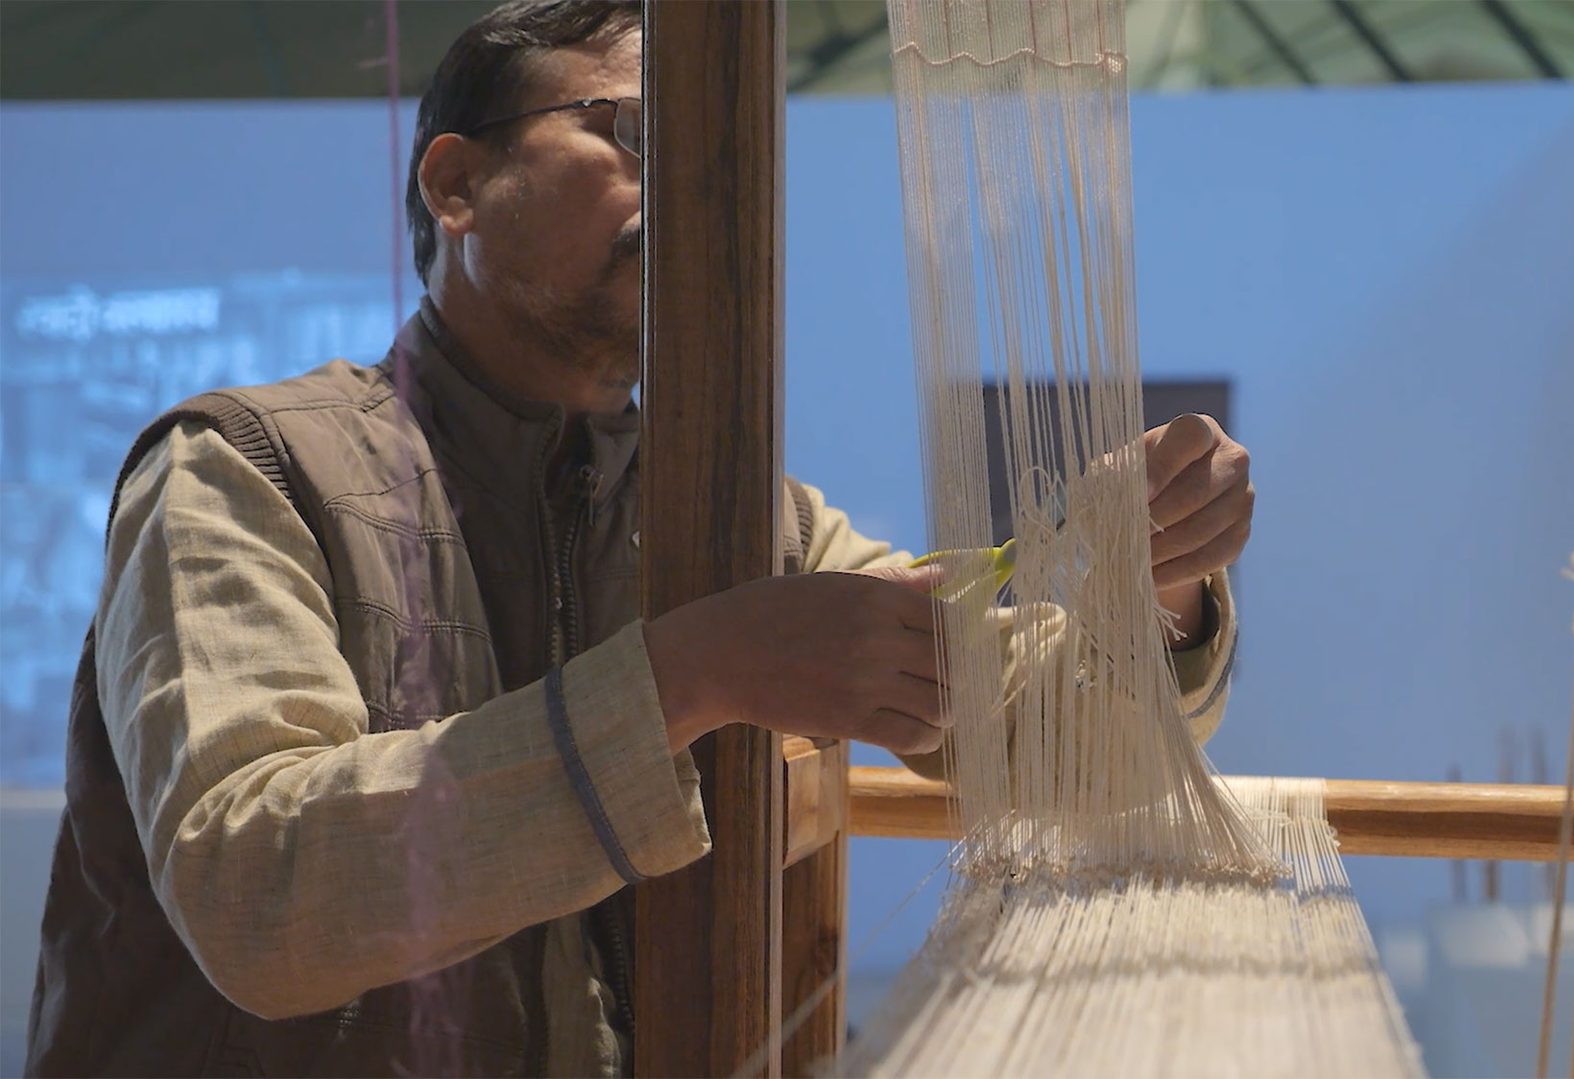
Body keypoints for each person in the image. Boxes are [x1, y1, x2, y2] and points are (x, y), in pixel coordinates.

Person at [24, 2, 1254, 1075]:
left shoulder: (737, 513)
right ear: (455, 185)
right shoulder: (245, 468)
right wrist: (689, 674)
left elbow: (1064, 750)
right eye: (631, 135)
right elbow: (258, 890)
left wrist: (1165, 587)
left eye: (708, 158)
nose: (689, 191)